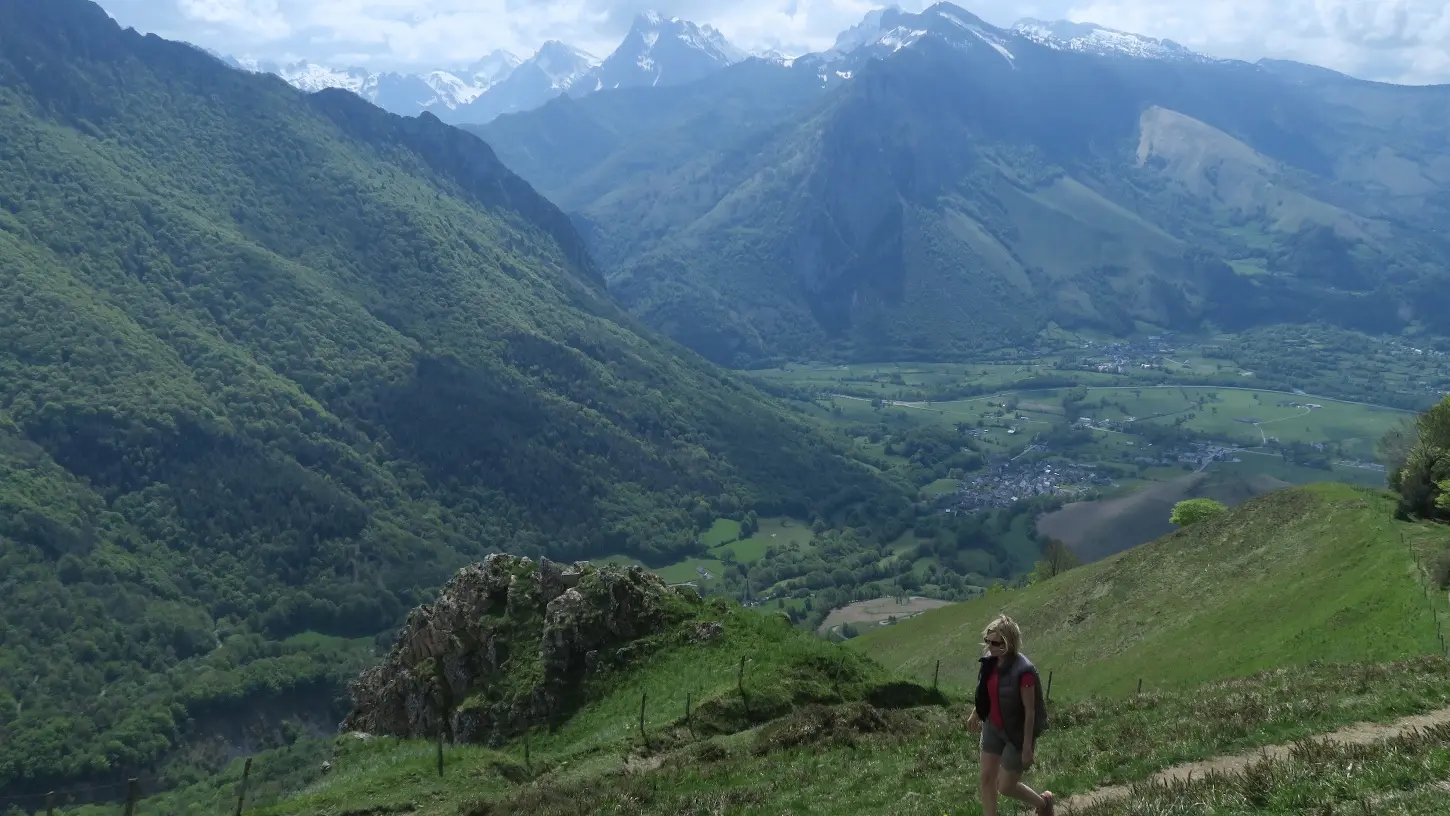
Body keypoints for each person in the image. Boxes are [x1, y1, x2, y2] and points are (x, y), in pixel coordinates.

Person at [965, 614, 1054, 816]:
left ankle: (1043, 803)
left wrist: (1027, 748)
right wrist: (976, 713)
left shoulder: (1025, 671)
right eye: (988, 641)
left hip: (1016, 732)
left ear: (1009, 643)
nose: (990, 647)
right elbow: (985, 692)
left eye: (996, 643)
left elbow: (1030, 711)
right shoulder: (988, 662)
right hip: (992, 727)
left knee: (1005, 787)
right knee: (986, 779)